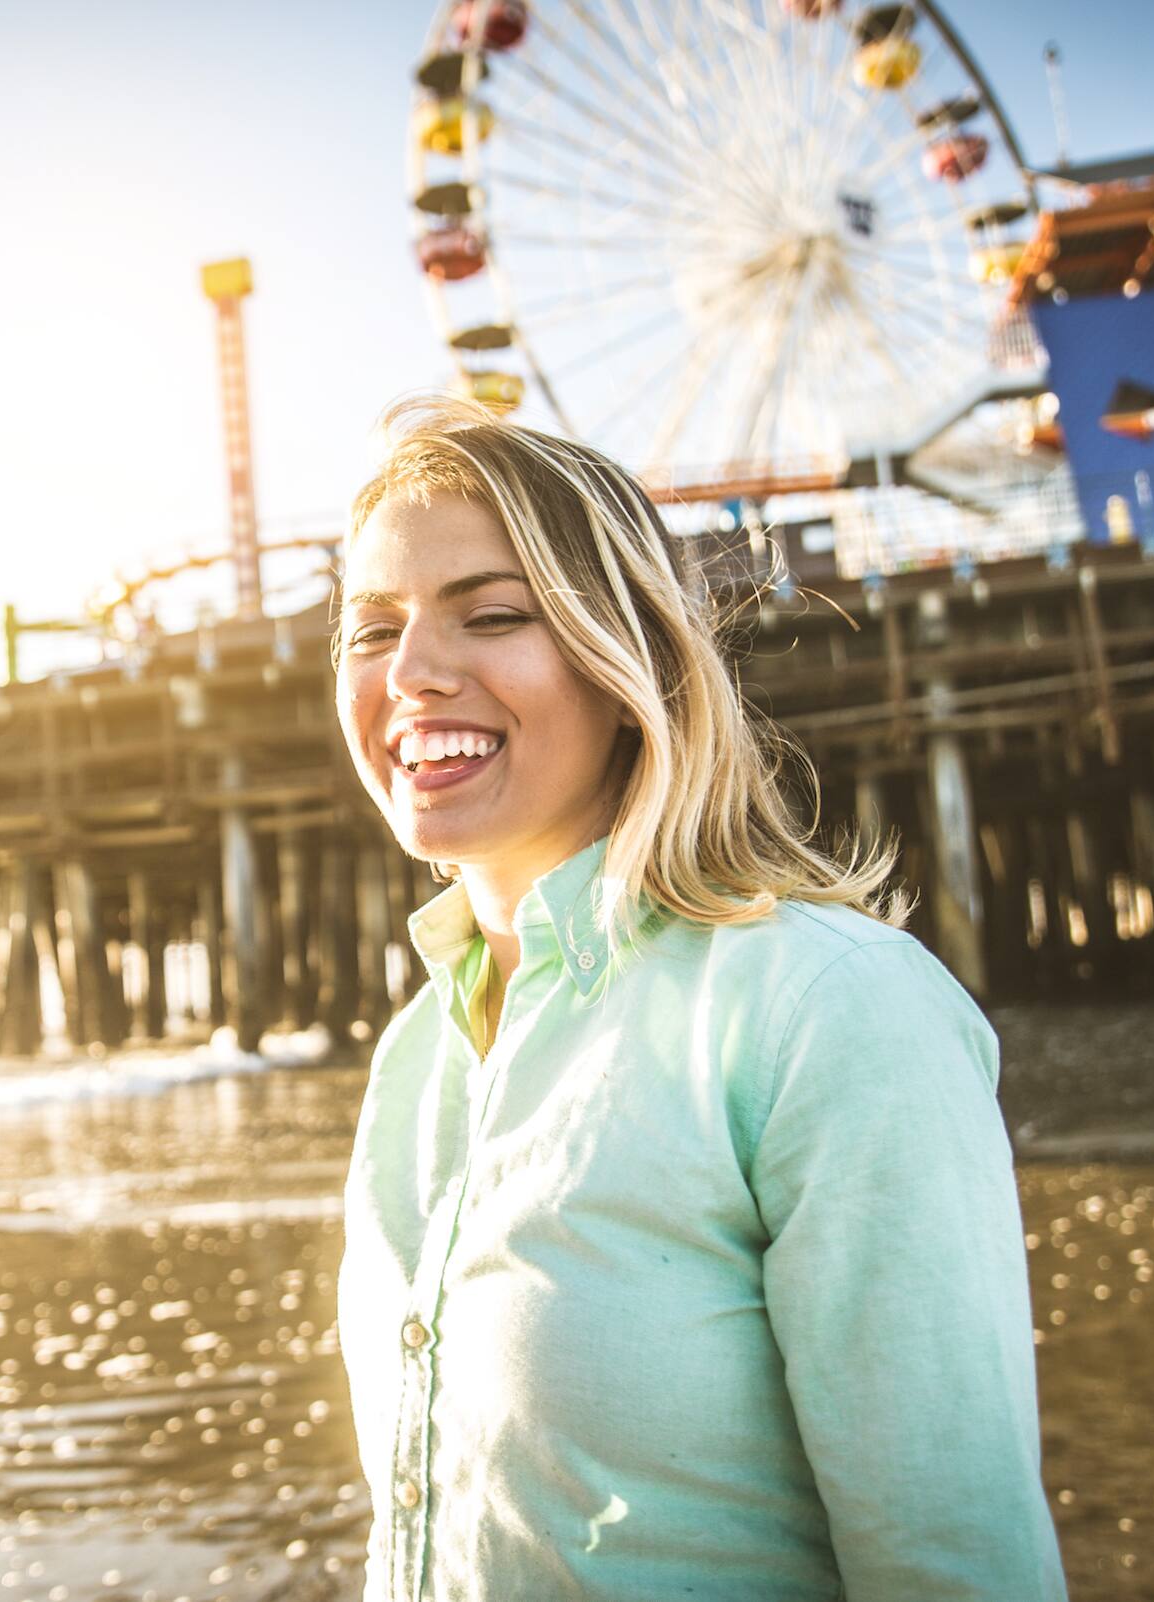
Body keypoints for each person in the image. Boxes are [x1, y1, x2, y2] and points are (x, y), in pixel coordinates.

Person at [330, 398, 1066, 1600]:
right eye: (371, 632)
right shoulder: (415, 1053)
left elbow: (954, 1566)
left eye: (495, 615)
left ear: (633, 664)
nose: (411, 672)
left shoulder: (827, 1012)